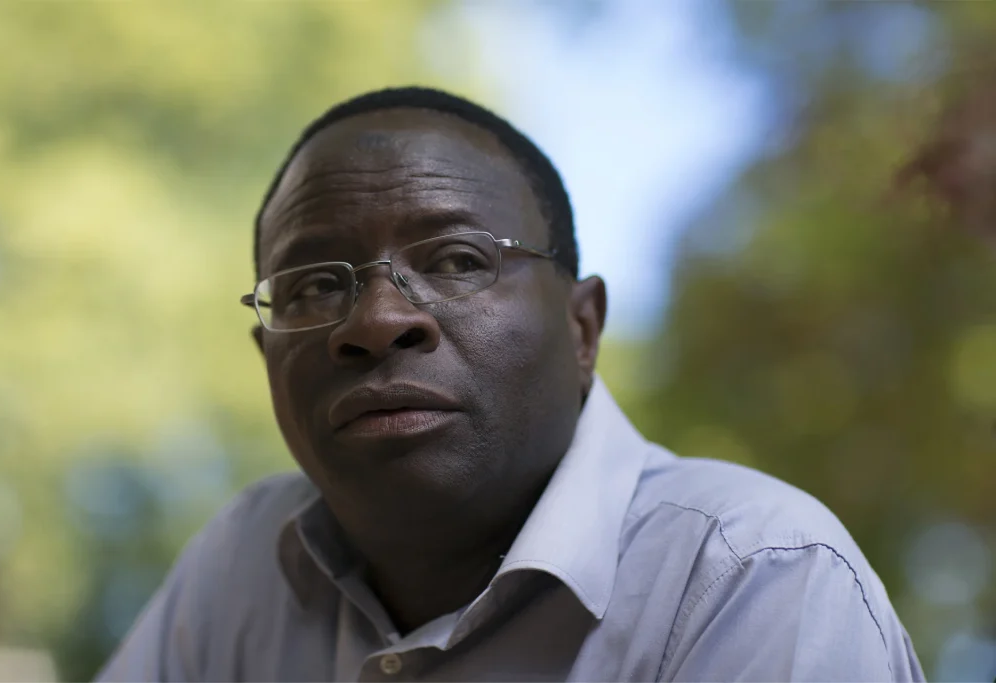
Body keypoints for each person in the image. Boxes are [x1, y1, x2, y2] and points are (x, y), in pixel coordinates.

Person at [97, 87, 924, 682]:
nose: (376, 320)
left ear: (582, 329)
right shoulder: (242, 565)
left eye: (458, 259)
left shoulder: (752, 576)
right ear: (266, 359)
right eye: (314, 285)